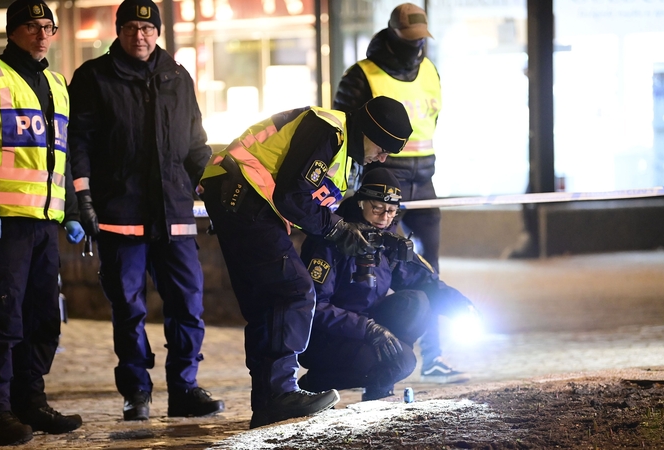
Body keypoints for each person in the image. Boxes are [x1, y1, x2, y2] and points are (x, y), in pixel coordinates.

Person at [198, 96, 412, 428]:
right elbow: (291, 196)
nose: (381, 157)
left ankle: (268, 402)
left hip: (237, 197)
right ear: (368, 130)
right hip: (243, 194)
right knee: (296, 290)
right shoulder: (328, 129)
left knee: (265, 305)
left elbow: (306, 203)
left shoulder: (340, 155)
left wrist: (348, 231)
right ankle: (281, 392)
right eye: (382, 147)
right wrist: (338, 229)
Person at [67, 0, 224, 421]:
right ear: (119, 30)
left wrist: (213, 185)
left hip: (174, 212)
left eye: (148, 27)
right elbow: (77, 144)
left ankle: (184, 388)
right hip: (121, 212)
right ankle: (136, 391)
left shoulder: (177, 76)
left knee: (188, 304)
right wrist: (82, 198)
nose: (141, 35)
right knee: (129, 309)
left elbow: (195, 144)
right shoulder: (93, 78)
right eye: (133, 27)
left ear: (158, 32)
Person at [0, 0, 85, 445]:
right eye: (32, 26)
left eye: (48, 26)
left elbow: (59, 155)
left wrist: (70, 211)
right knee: (3, 316)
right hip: (5, 222)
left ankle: (31, 401)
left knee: (43, 318)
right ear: (13, 31)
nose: (42, 33)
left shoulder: (56, 83)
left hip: (45, 221)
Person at [332, 2, 464, 383]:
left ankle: (435, 356)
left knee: (428, 268)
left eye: (421, 39)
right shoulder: (362, 74)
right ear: (392, 36)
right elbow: (347, 130)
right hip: (383, 183)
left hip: (425, 180)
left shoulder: (430, 70)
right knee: (382, 266)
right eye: (410, 39)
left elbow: (433, 121)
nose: (416, 46)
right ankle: (377, 353)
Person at [297, 168, 479, 400]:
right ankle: (315, 383)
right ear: (361, 202)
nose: (384, 217)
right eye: (378, 209)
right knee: (392, 362)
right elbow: (314, 307)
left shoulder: (388, 241)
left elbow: (424, 282)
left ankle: (378, 389)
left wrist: (461, 306)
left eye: (391, 211)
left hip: (365, 328)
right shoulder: (333, 239)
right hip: (324, 337)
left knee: (416, 302)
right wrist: (368, 328)